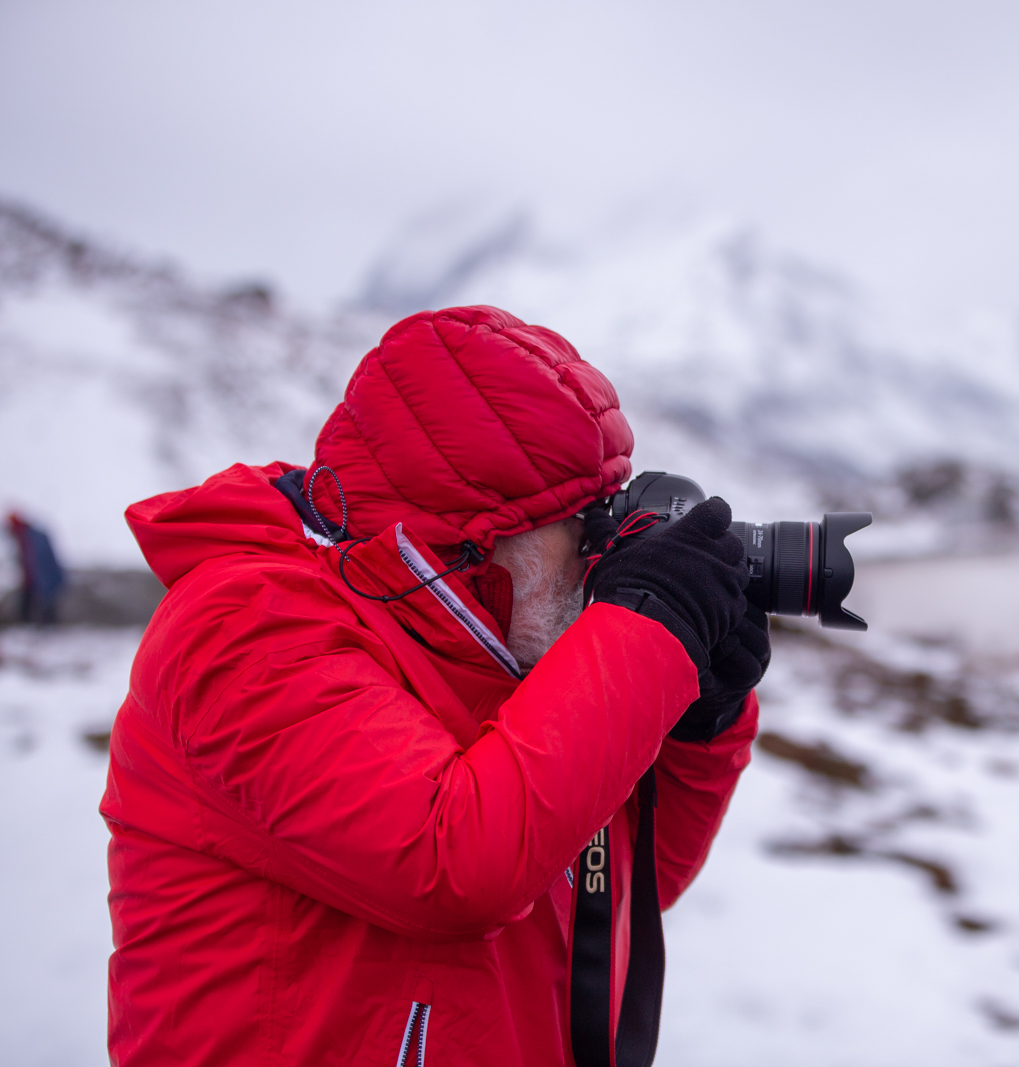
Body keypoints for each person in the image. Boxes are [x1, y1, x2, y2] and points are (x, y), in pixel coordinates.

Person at [100, 305, 769, 1067]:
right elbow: (455, 865)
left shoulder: (486, 652)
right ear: (477, 533)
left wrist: (695, 724)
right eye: (579, 527)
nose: (598, 556)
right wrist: (644, 629)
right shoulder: (242, 627)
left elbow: (609, 893)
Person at [7, 510, 67, 623]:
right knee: (30, 604)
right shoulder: (24, 538)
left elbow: (43, 561)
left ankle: (48, 628)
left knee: (47, 605)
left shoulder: (33, 537)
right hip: (32, 580)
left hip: (43, 578)